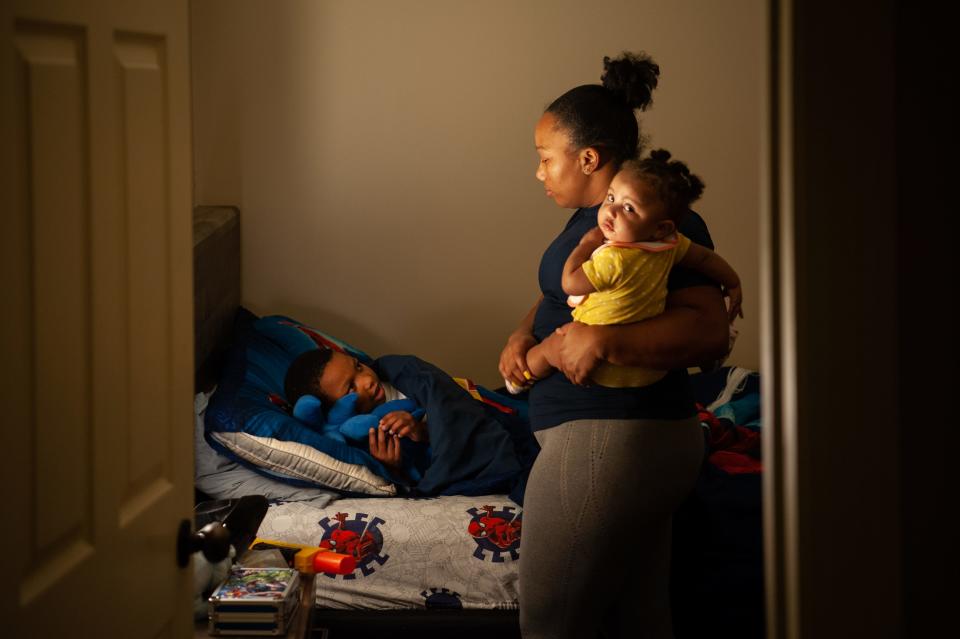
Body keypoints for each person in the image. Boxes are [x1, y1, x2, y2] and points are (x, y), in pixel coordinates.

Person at [499, 52, 731, 638]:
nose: (539, 172)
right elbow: (577, 296)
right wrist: (525, 332)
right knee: (636, 622)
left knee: (550, 625)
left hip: (611, 435)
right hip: (610, 439)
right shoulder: (596, 221)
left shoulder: (656, 223)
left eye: (544, 158)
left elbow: (707, 330)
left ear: (588, 157)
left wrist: (597, 341)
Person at [505, 150, 742, 393]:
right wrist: (732, 281)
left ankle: (515, 382)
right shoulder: (670, 244)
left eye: (628, 208)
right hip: (645, 375)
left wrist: (586, 245)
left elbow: (570, 283)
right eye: (610, 198)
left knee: (551, 347)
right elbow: (704, 258)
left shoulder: (615, 258)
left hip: (596, 362)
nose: (612, 211)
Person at [284, 347, 428, 478]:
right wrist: (391, 468)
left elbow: (443, 415)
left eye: (358, 366)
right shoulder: (356, 438)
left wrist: (420, 429)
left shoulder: (396, 379)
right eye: (351, 388)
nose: (368, 380)